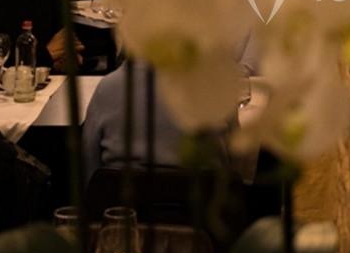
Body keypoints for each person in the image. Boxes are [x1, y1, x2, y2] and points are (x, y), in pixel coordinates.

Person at [81, 35, 260, 183]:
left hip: (120, 218)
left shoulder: (108, 88)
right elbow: (236, 167)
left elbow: (88, 169)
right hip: (202, 218)